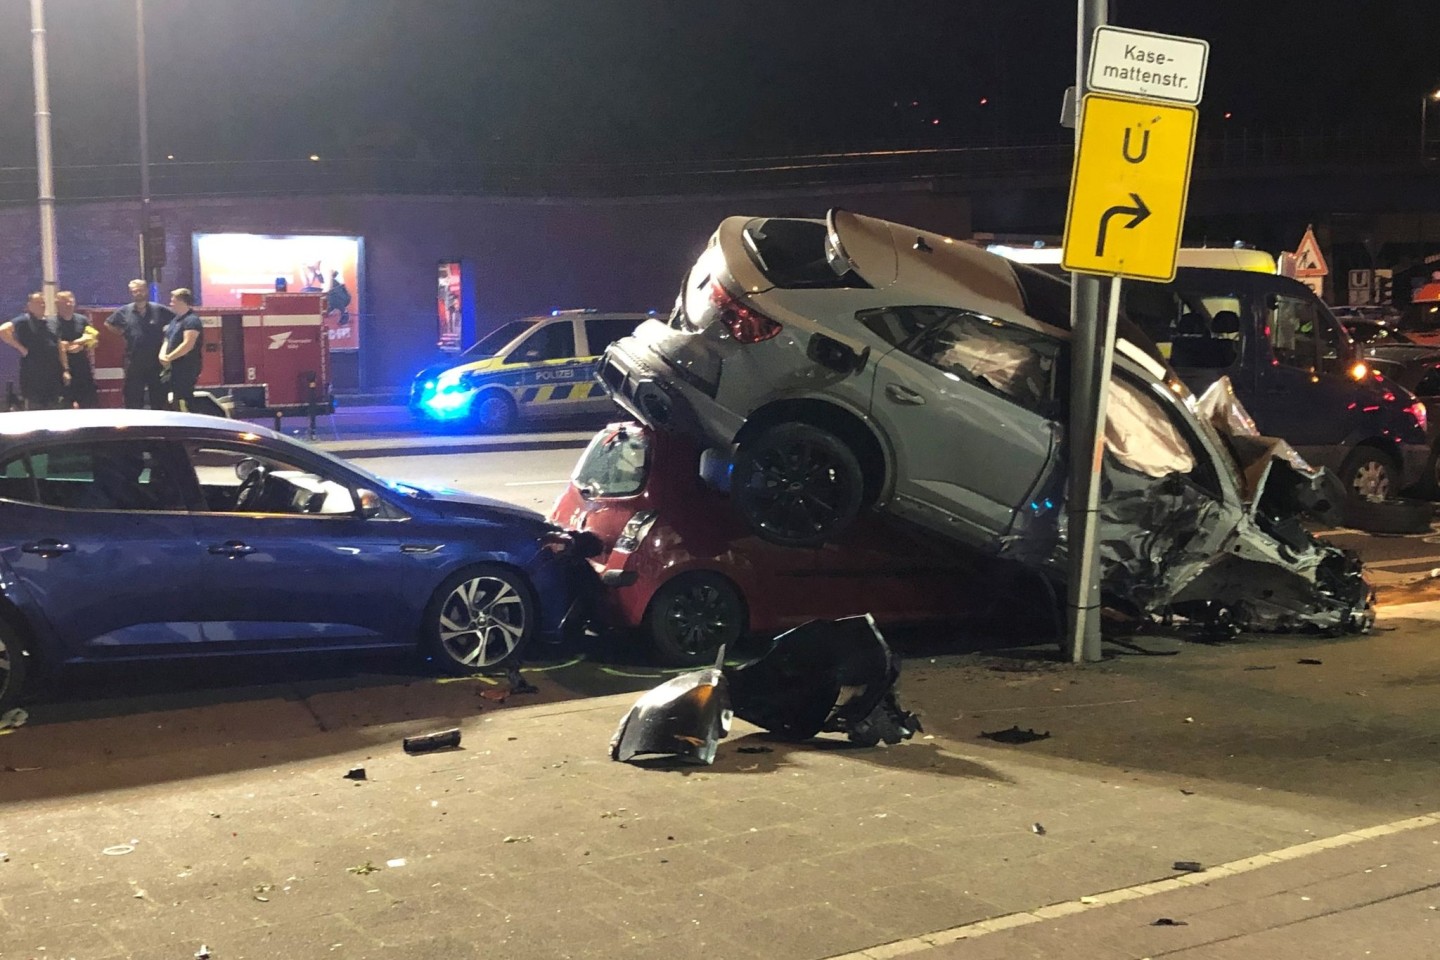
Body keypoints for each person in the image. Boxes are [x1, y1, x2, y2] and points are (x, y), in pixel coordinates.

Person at [106, 279, 173, 409]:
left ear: (146, 291)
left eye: (140, 290)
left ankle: (160, 426)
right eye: (134, 291)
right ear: (131, 293)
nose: (138, 293)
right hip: (133, 361)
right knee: (133, 398)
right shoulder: (124, 311)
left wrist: (168, 334)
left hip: (156, 362)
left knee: (159, 398)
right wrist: (122, 332)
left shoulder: (159, 309)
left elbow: (177, 321)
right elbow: (108, 323)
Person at [0, 292, 64, 410]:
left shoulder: (52, 322)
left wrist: (65, 369)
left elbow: (59, 345)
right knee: (36, 408)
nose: (42, 305)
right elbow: (3, 330)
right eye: (38, 303)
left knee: (55, 408)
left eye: (43, 303)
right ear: (29, 305)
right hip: (33, 375)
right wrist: (21, 349)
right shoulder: (24, 320)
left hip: (53, 374)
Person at [158, 288, 203, 411]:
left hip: (186, 367)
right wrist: (163, 355)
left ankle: (190, 420)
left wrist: (169, 357)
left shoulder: (192, 320)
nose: (171, 303)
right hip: (172, 367)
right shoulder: (175, 320)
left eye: (173, 301)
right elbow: (167, 339)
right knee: (167, 394)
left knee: (183, 396)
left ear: (182, 302)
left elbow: (188, 344)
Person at [56, 291, 100, 408]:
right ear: (58, 304)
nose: (69, 304)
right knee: (65, 405)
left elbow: (93, 341)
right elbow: (59, 345)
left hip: (83, 368)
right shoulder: (52, 322)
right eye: (65, 302)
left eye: (71, 301)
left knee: (89, 403)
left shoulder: (82, 320)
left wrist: (82, 345)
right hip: (62, 370)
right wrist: (79, 341)